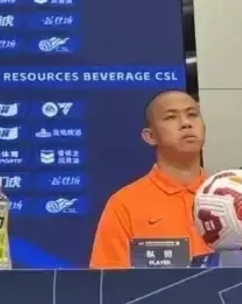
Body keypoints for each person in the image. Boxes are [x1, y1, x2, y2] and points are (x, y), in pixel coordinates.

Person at [89, 90, 212, 268]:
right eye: (171, 117)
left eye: (192, 114)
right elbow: (108, 280)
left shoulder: (232, 196)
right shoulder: (124, 204)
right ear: (150, 136)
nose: (186, 123)